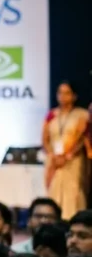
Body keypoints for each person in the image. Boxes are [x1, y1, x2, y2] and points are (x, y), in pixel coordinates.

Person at [43, 81, 89, 219]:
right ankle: (53, 221)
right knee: (54, 192)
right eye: (60, 93)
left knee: (72, 192)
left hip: (73, 160)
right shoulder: (52, 115)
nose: (63, 96)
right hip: (54, 161)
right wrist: (53, 156)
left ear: (74, 96)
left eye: (67, 93)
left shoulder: (82, 114)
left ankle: (73, 222)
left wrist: (69, 155)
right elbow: (45, 138)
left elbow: (84, 138)